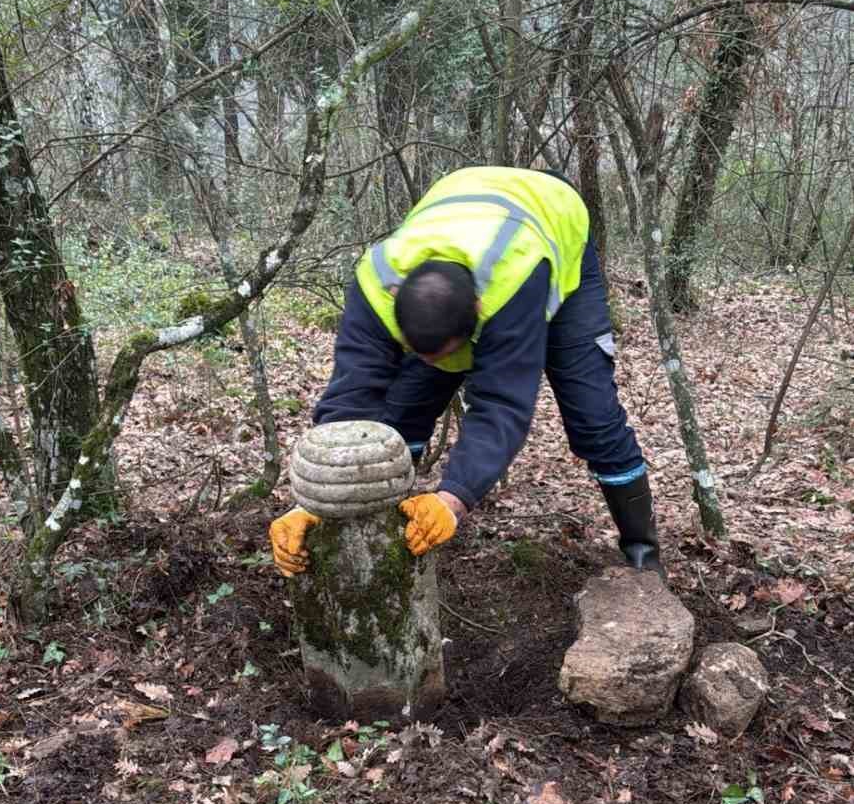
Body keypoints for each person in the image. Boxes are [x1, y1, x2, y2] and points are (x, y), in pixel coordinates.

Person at [270, 165, 659, 577]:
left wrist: (454, 499)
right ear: (395, 298)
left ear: (478, 313)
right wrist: (317, 501)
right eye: (420, 353)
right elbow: (351, 395)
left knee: (592, 416)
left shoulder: (513, 280)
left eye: (445, 355)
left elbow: (501, 405)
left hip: (553, 225)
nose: (437, 367)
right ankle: (379, 542)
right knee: (402, 411)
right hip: (466, 209)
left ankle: (644, 557)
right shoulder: (374, 282)